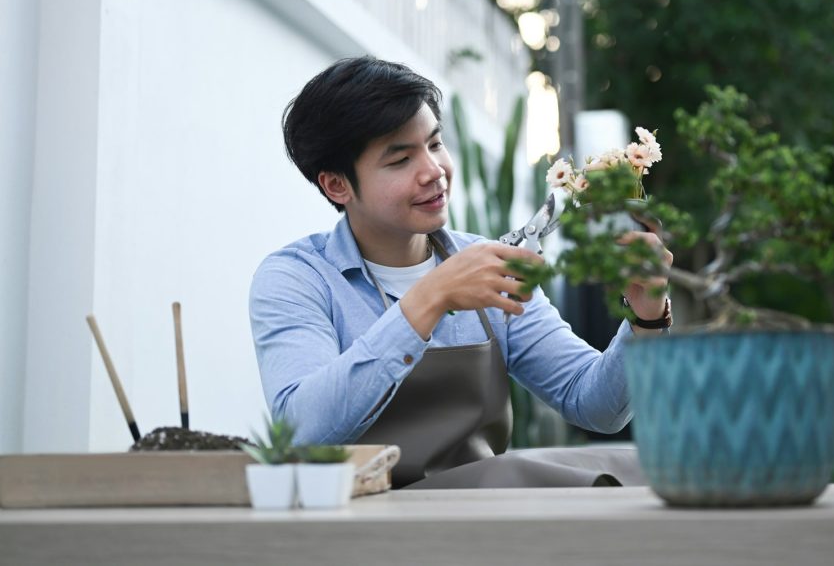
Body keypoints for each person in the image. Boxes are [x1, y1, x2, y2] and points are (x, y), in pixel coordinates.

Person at [249, 56, 673, 488]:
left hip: (481, 514)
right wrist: (431, 297)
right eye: (400, 160)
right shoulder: (297, 279)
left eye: (434, 144)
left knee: (636, 465)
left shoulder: (486, 262)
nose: (434, 171)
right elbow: (301, 431)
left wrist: (645, 317)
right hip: (362, 525)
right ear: (337, 185)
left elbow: (595, 406)